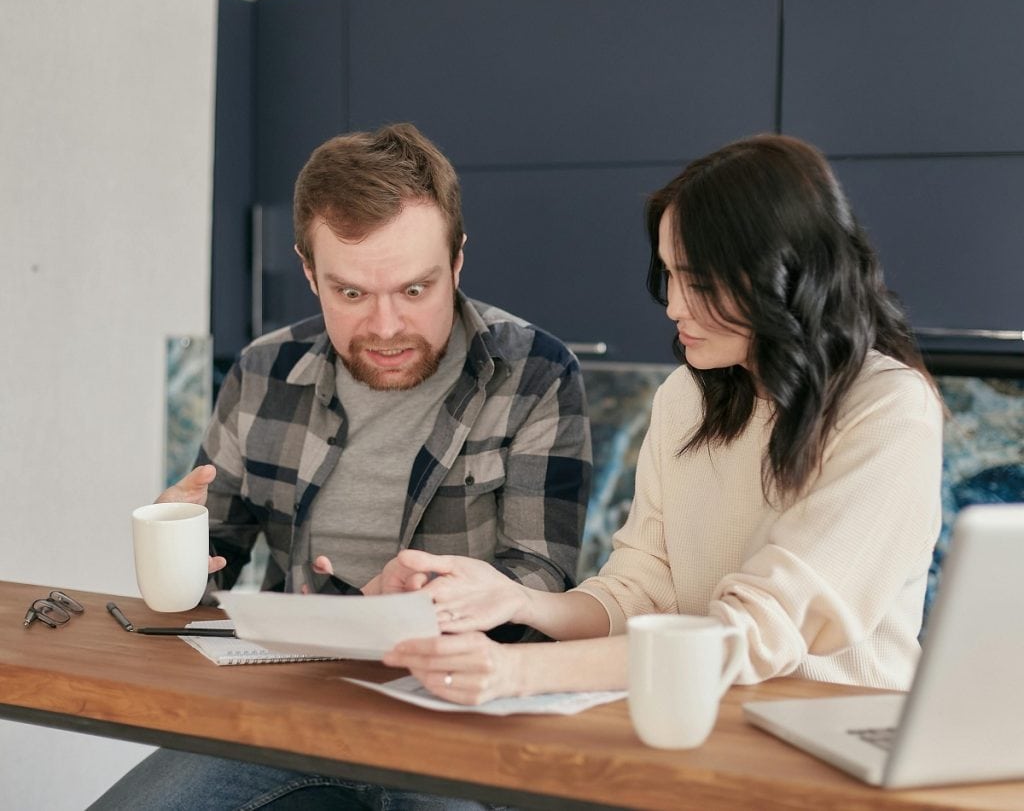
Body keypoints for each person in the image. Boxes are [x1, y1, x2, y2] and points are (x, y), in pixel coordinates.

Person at [91, 123, 590, 810]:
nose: (385, 327)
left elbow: (539, 584)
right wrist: (182, 548)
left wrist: (412, 612)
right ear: (308, 271)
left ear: (458, 260)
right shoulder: (264, 371)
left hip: (457, 715)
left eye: (415, 290)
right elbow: (217, 569)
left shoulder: (534, 372)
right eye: (351, 293)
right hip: (288, 705)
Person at [380, 134, 944, 705]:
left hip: (842, 745)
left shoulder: (889, 410)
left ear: (782, 274)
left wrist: (516, 670)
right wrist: (517, 601)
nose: (673, 306)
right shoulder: (687, 397)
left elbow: (756, 631)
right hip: (707, 723)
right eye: (670, 275)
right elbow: (642, 590)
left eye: (698, 282)